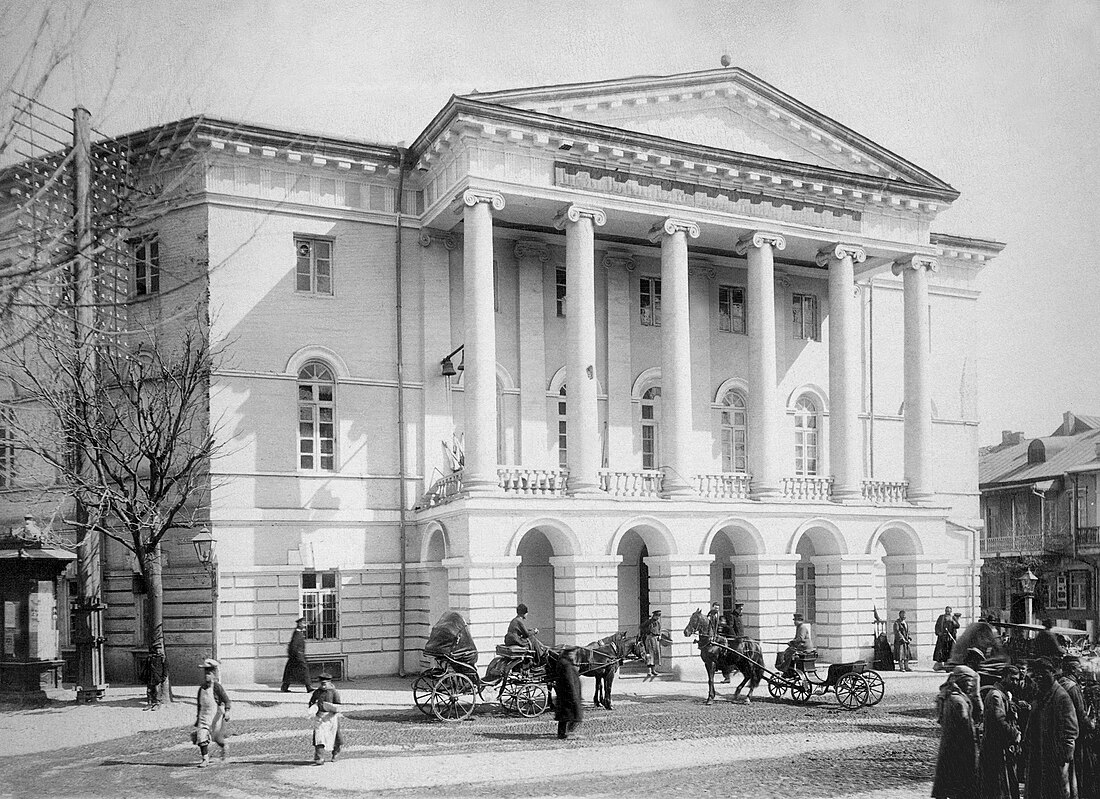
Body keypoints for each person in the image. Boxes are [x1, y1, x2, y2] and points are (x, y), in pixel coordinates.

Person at [1023, 657, 1079, 799]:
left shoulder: (1061, 697)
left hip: (1054, 761)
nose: (1039, 677)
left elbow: (1071, 731)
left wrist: (1062, 759)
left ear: (1053, 673)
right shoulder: (1040, 695)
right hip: (1038, 758)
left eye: (1043, 672)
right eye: (1036, 674)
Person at [931, 665, 979, 798]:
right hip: (960, 747)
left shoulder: (947, 696)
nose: (971, 686)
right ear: (961, 681)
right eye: (968, 683)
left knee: (949, 778)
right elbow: (965, 724)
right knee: (960, 782)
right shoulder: (958, 701)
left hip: (949, 743)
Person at [979, 665, 1021, 799]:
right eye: (1012, 679)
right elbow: (999, 721)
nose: (1015, 682)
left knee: (1005, 786)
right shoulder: (995, 696)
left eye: (1017, 680)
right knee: (997, 787)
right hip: (995, 749)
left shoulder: (1004, 695)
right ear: (1003, 678)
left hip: (1002, 748)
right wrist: (1015, 733)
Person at [1058, 656, 1095, 798]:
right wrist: (1091, 724)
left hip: (1060, 733)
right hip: (1075, 736)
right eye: (1079, 668)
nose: (1081, 670)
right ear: (1073, 669)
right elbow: (1080, 714)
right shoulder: (1073, 688)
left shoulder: (1059, 683)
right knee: (1076, 771)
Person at [192, 659, 230, 767]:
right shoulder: (201, 689)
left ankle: (224, 746)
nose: (206, 676)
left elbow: (226, 700)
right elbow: (199, 706)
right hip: (204, 717)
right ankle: (205, 759)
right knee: (201, 736)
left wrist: (226, 712)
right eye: (205, 673)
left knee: (217, 738)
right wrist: (197, 720)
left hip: (215, 717)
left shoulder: (217, 687)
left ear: (213, 675)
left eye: (208, 673)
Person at [308, 672, 344, 765]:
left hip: (331, 717)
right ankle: (319, 757)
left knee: (335, 736)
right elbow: (311, 702)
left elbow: (338, 705)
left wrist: (334, 709)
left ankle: (336, 752)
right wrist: (313, 708)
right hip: (320, 717)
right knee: (319, 737)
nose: (323, 686)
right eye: (321, 684)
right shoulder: (317, 692)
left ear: (329, 683)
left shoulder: (334, 692)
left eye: (325, 684)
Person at [554, 647, 583, 740]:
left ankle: (562, 733)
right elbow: (570, 681)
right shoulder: (566, 665)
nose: (573, 655)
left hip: (564, 694)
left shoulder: (564, 663)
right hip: (568, 694)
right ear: (567, 654)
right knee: (574, 715)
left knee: (564, 715)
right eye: (572, 654)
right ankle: (568, 732)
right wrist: (574, 694)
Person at [281, 617, 312, 693]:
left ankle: (285, 687)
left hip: (295, 656)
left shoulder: (298, 632)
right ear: (299, 624)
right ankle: (309, 687)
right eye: (303, 623)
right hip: (297, 656)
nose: (304, 625)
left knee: (290, 672)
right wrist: (298, 656)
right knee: (304, 670)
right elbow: (294, 645)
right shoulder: (297, 633)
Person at [140, 643, 168, 710]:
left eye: (159, 649)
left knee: (157, 691)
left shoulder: (162, 658)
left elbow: (165, 668)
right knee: (149, 691)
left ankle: (157, 704)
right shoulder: (150, 658)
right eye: (156, 649)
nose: (158, 651)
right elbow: (146, 668)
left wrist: (163, 677)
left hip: (157, 677)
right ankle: (149, 703)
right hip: (150, 677)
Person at [640, 610, 663, 677]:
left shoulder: (658, 623)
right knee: (649, 654)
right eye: (657, 616)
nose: (658, 617)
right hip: (650, 638)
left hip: (656, 639)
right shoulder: (648, 622)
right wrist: (646, 632)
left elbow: (659, 630)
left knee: (656, 654)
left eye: (659, 616)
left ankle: (653, 670)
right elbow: (641, 627)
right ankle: (649, 671)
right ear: (654, 615)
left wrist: (659, 635)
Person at [934, 606, 955, 670]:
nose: (947, 612)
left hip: (949, 638)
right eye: (946, 611)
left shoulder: (953, 618)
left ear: (951, 612)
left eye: (948, 611)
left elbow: (957, 626)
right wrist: (938, 632)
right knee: (940, 652)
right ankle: (939, 665)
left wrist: (953, 621)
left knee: (948, 652)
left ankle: (947, 666)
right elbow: (937, 625)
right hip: (942, 637)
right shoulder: (941, 617)